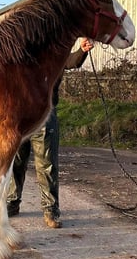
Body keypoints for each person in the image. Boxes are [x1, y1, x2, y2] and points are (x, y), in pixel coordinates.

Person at [6, 37, 94, 228]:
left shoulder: (56, 52)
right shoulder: (22, 53)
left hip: (46, 114)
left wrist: (82, 50)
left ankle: (51, 209)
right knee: (17, 161)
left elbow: (71, 61)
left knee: (48, 163)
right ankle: (12, 202)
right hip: (21, 116)